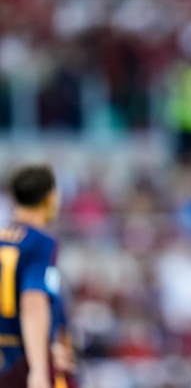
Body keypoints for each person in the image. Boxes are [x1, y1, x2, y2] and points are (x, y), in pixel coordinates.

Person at [0, 165, 76, 388]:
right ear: (51, 198)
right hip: (21, 358)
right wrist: (38, 370)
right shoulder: (41, 242)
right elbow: (33, 302)